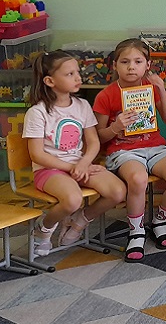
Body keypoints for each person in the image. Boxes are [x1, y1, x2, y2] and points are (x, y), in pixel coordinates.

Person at [23, 51, 126, 256]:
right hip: (49, 170)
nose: (78, 77)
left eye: (77, 72)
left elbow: (93, 142)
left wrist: (84, 163)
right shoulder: (37, 112)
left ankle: (79, 221)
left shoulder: (82, 105)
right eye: (70, 74)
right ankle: (43, 229)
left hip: (79, 165)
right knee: (72, 200)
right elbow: (37, 155)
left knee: (118, 191)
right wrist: (74, 167)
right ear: (50, 81)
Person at [93, 39, 166, 262]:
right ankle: (136, 231)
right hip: (123, 151)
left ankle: (159, 221)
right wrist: (116, 127)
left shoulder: (151, 88)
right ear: (115, 65)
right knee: (138, 178)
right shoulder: (106, 95)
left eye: (137, 62)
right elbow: (98, 136)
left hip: (155, 147)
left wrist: (161, 89)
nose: (131, 67)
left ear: (147, 65)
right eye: (124, 62)